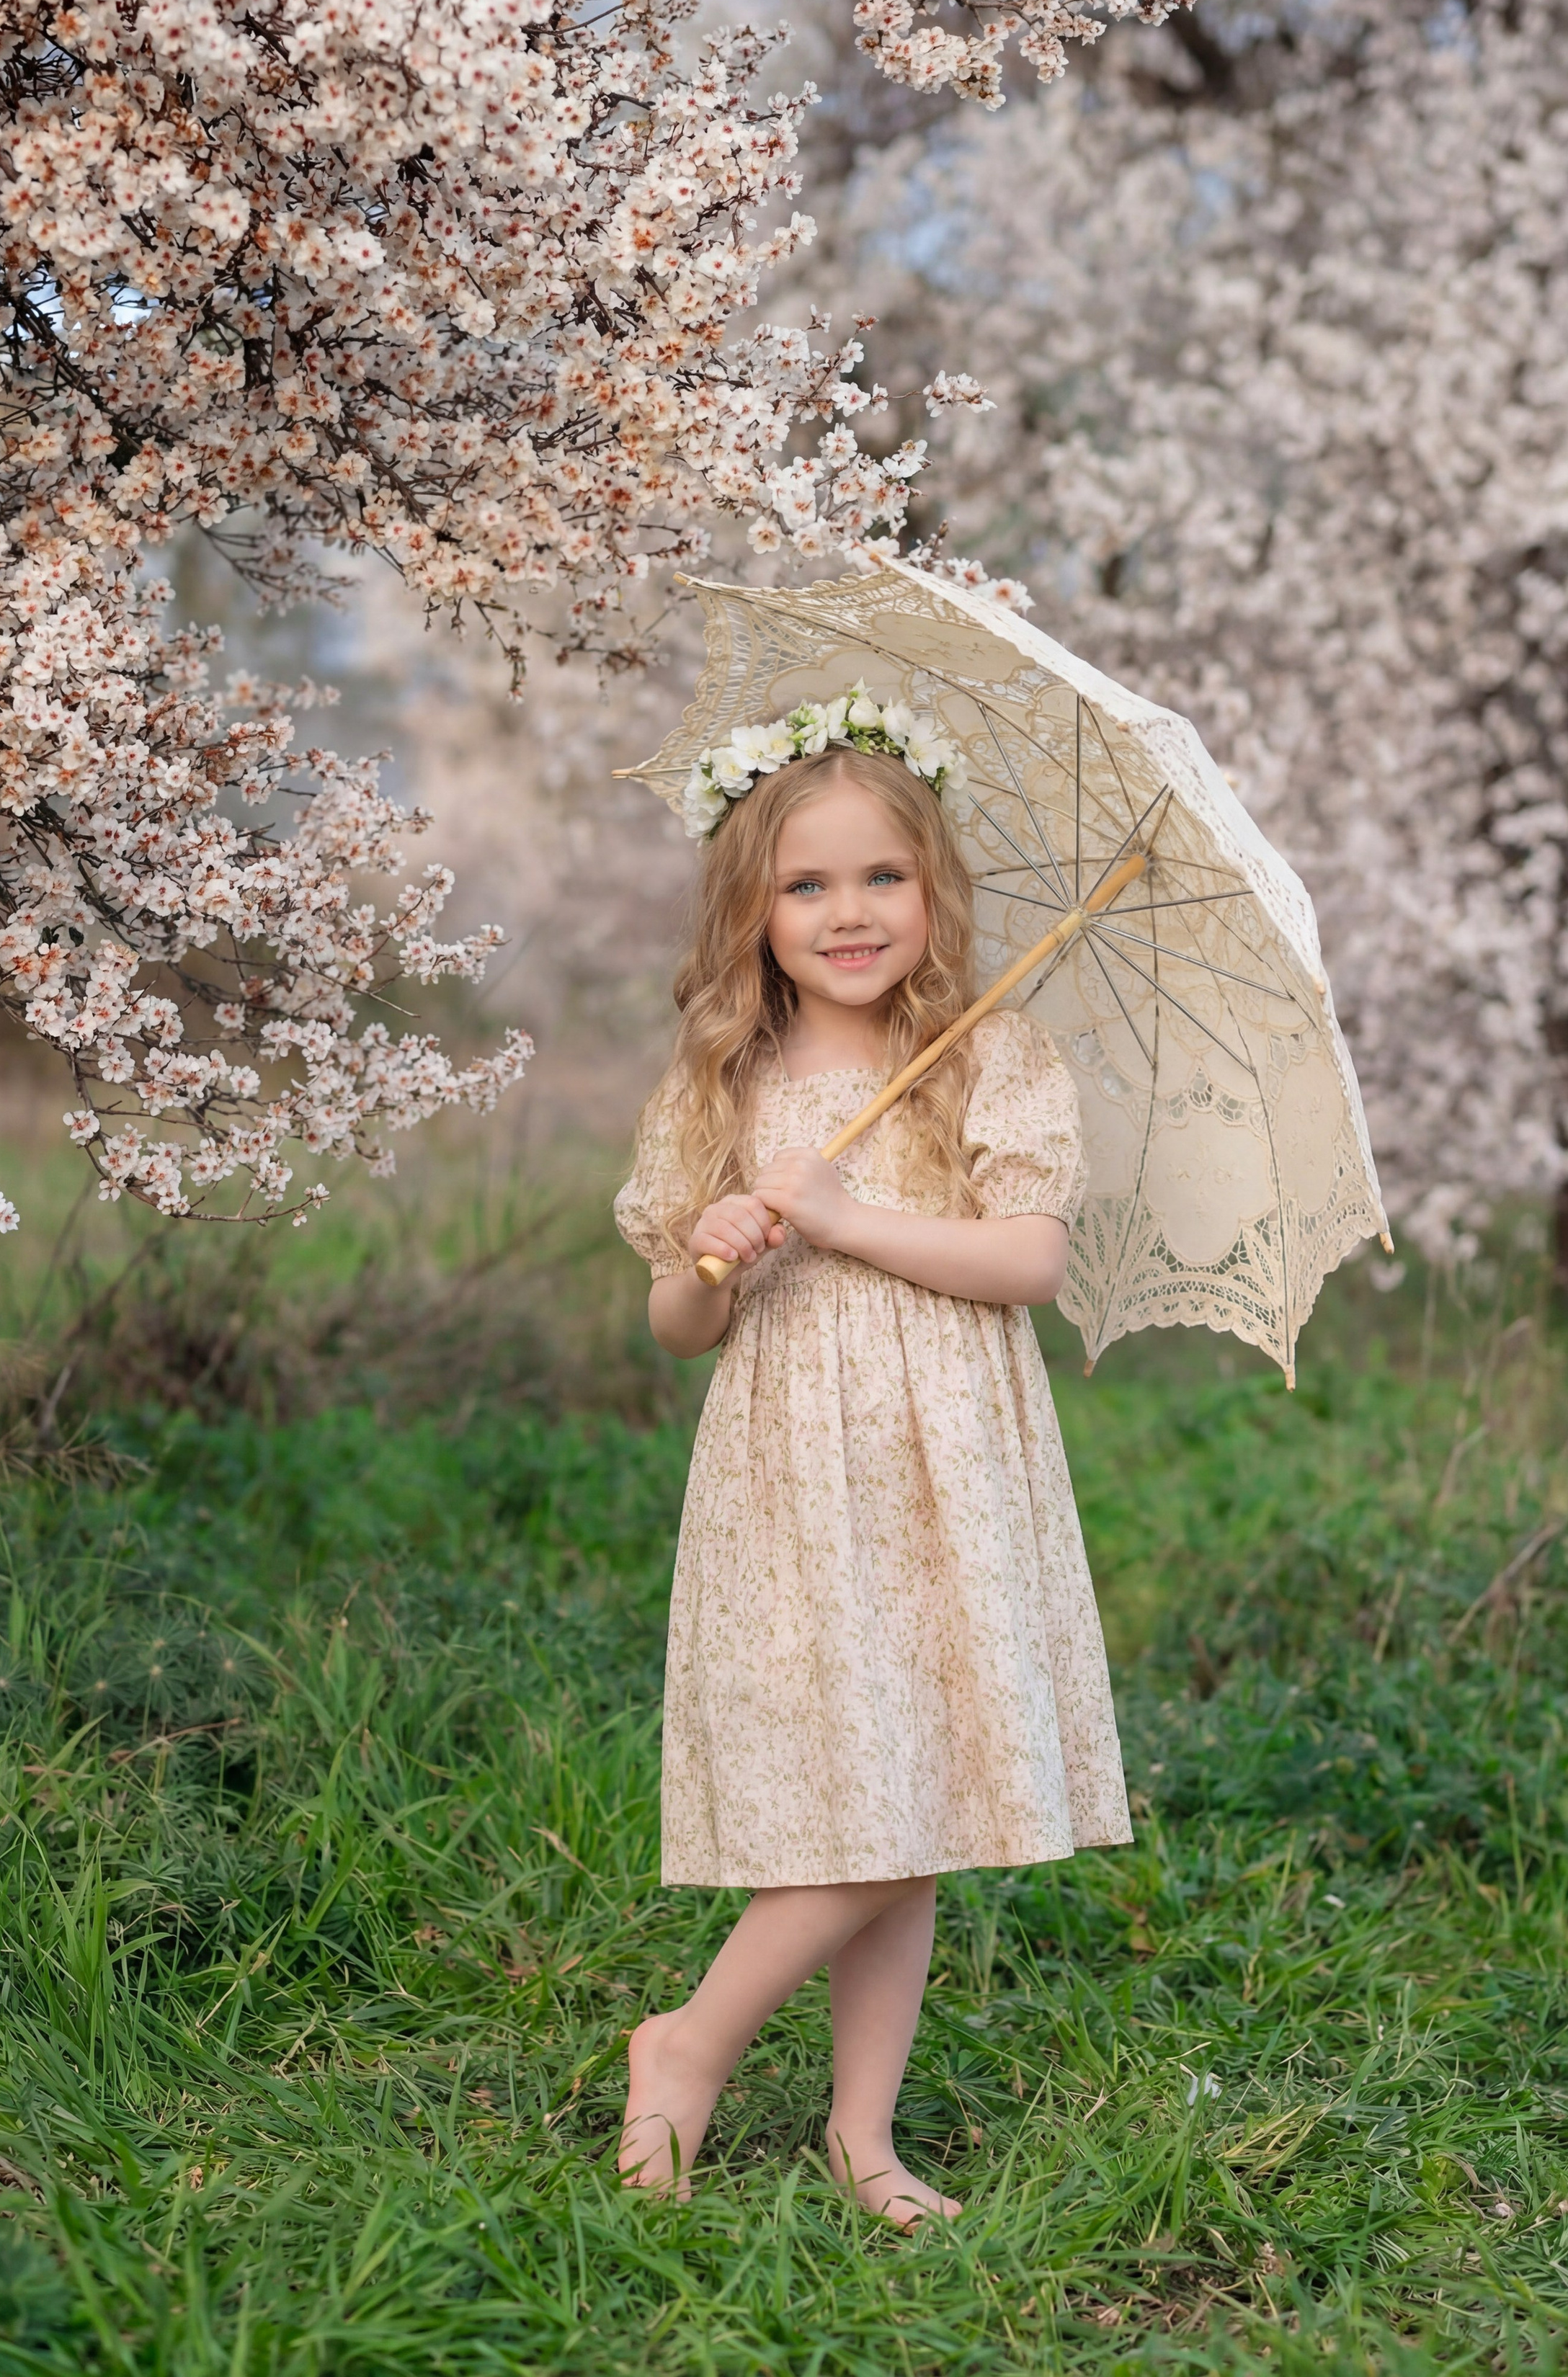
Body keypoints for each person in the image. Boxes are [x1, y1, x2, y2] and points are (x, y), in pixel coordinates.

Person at [612, 693, 1131, 2226]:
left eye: (882, 878)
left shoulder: (989, 1053)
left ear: (934, 888)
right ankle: (689, 2040)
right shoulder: (722, 1081)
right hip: (793, 1463)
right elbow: (670, 1329)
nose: (848, 914)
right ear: (753, 908)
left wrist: (838, 1215)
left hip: (950, 1459)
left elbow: (1026, 1260)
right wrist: (710, 1254)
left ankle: (860, 2129)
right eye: (807, 885)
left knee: (914, 1787)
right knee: (865, 1784)